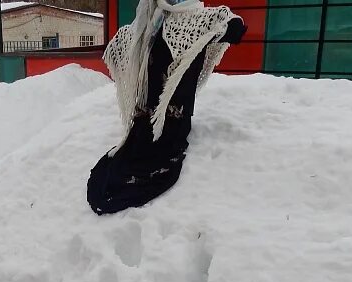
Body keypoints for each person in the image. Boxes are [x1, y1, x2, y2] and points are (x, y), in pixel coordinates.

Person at [87, 0, 245, 214]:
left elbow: (231, 26)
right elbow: (124, 42)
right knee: (128, 159)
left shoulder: (199, 19)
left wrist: (229, 24)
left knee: (156, 157)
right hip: (144, 119)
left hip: (173, 121)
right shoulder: (150, 22)